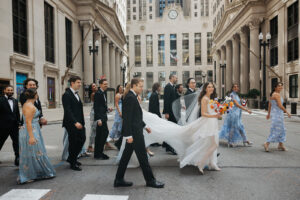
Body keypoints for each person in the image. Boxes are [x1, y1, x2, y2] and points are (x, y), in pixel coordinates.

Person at [114, 78, 165, 188]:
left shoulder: (132, 97)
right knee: (143, 157)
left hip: (135, 131)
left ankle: (118, 179)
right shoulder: (129, 98)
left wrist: (145, 126)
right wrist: (128, 136)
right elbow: (127, 118)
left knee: (125, 157)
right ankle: (150, 181)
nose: (142, 88)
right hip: (134, 134)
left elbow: (135, 116)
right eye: (140, 86)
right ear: (134, 86)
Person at [18, 88, 55, 184]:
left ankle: (35, 172)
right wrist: (31, 137)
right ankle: (29, 174)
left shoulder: (28, 104)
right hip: (31, 131)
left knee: (34, 152)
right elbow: (28, 122)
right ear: (35, 95)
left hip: (33, 129)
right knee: (36, 151)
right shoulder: (29, 106)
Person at [62, 76, 86, 171]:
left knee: (81, 140)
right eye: (78, 82)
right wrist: (75, 122)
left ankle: (72, 158)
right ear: (72, 83)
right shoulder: (66, 95)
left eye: (80, 82)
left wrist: (81, 122)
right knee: (73, 142)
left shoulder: (76, 94)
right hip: (71, 123)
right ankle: (73, 162)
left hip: (80, 122)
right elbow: (68, 110)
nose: (80, 84)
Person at [264, 82, 291, 152]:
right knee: (276, 130)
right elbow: (280, 105)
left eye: (281, 86)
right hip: (278, 115)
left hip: (275, 114)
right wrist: (287, 112)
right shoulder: (276, 95)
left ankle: (280, 144)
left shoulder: (273, 94)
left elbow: (270, 105)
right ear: (275, 87)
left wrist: (269, 114)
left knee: (281, 129)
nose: (280, 87)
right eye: (279, 86)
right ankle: (267, 143)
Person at [0, 85, 20, 166]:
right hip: (3, 126)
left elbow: (17, 113)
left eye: (11, 90)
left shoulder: (15, 100)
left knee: (16, 142)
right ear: (4, 91)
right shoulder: (0, 100)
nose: (10, 91)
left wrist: (19, 123)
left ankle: (17, 158)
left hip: (14, 126)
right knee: (0, 142)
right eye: (8, 90)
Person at [94, 79, 110, 160]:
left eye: (107, 84)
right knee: (102, 134)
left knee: (101, 135)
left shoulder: (103, 93)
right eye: (104, 84)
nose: (106, 85)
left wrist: (107, 109)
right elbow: (96, 107)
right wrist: (98, 119)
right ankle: (98, 153)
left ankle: (98, 153)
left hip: (103, 116)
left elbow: (102, 105)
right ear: (100, 85)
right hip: (100, 118)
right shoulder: (98, 93)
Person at [162, 74, 178, 155]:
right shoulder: (168, 87)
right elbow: (166, 100)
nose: (177, 79)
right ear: (171, 78)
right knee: (171, 129)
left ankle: (167, 145)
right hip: (170, 112)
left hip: (173, 111)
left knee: (171, 128)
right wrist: (166, 112)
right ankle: (169, 146)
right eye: (175, 77)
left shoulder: (172, 87)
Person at [87, 83, 98, 153]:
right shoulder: (93, 94)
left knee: (98, 130)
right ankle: (90, 146)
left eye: (95, 85)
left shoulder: (96, 93)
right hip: (94, 113)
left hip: (95, 112)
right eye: (93, 86)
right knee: (93, 130)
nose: (95, 86)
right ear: (91, 88)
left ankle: (105, 143)